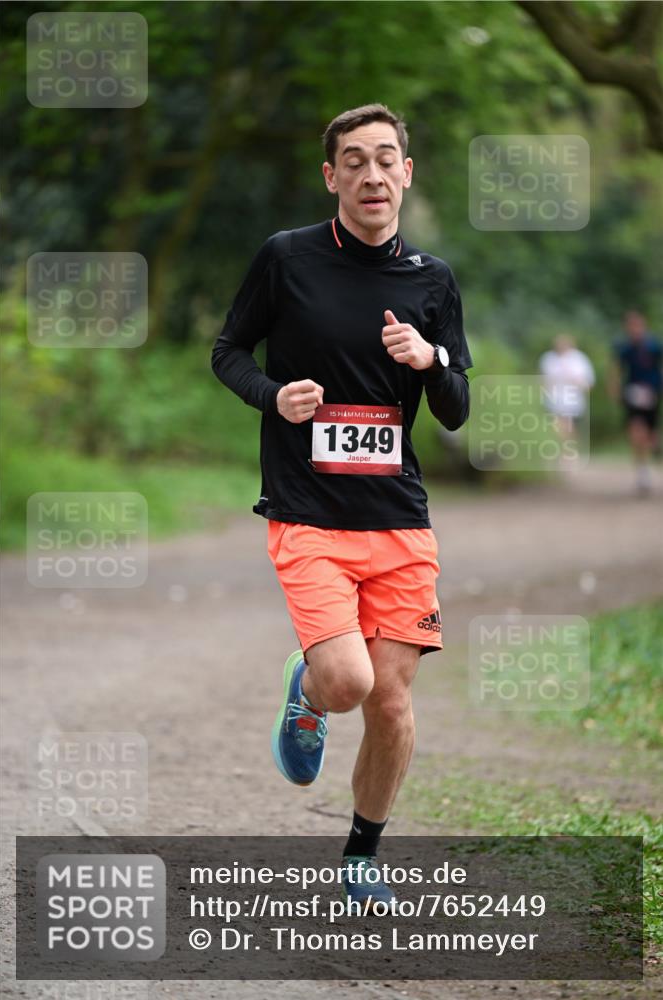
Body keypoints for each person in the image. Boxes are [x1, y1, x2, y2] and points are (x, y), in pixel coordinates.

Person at [211, 103, 472, 913]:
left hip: (399, 520)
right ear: (331, 177)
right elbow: (227, 351)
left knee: (392, 703)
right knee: (351, 683)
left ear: (406, 173)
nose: (370, 173)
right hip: (308, 511)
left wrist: (429, 360)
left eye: (385, 158)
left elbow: (457, 408)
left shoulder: (430, 281)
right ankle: (311, 686)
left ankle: (361, 851)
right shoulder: (286, 259)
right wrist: (273, 397)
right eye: (352, 160)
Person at [610, 311, 662, 495]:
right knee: (635, 431)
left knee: (650, 434)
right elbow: (616, 368)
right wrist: (614, 388)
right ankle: (642, 471)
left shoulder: (654, 346)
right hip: (632, 393)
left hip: (653, 393)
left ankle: (654, 446)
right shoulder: (624, 348)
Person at [539, 334, 595, 468]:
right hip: (553, 400)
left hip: (573, 401)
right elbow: (542, 379)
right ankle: (565, 452)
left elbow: (588, 382)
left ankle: (567, 453)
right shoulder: (548, 359)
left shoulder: (579, 359)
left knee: (568, 427)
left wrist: (578, 382)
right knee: (557, 426)